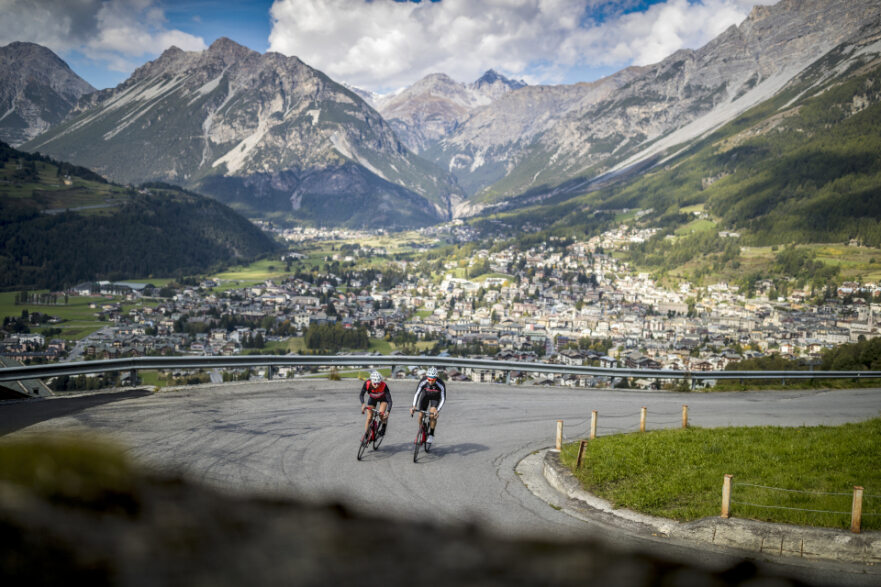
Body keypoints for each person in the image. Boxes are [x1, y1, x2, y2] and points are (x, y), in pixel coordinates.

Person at [410, 366, 446, 444]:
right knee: (420, 416)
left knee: (432, 416)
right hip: (425, 396)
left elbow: (443, 398)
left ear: (436, 378)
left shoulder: (440, 384)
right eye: (429, 379)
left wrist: (437, 410)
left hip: (435, 398)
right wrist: (413, 406)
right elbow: (417, 394)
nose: (430, 381)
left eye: (432, 380)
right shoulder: (423, 381)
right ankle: (423, 429)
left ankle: (431, 434)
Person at [359, 370, 391, 438]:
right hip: (373, 399)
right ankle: (367, 434)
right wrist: (363, 404)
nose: (376, 385)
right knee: (369, 417)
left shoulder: (384, 385)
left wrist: (388, 412)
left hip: (383, 399)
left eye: (378, 383)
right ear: (371, 381)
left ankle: (384, 426)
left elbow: (389, 400)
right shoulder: (367, 384)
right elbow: (361, 395)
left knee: (381, 414)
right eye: (375, 383)